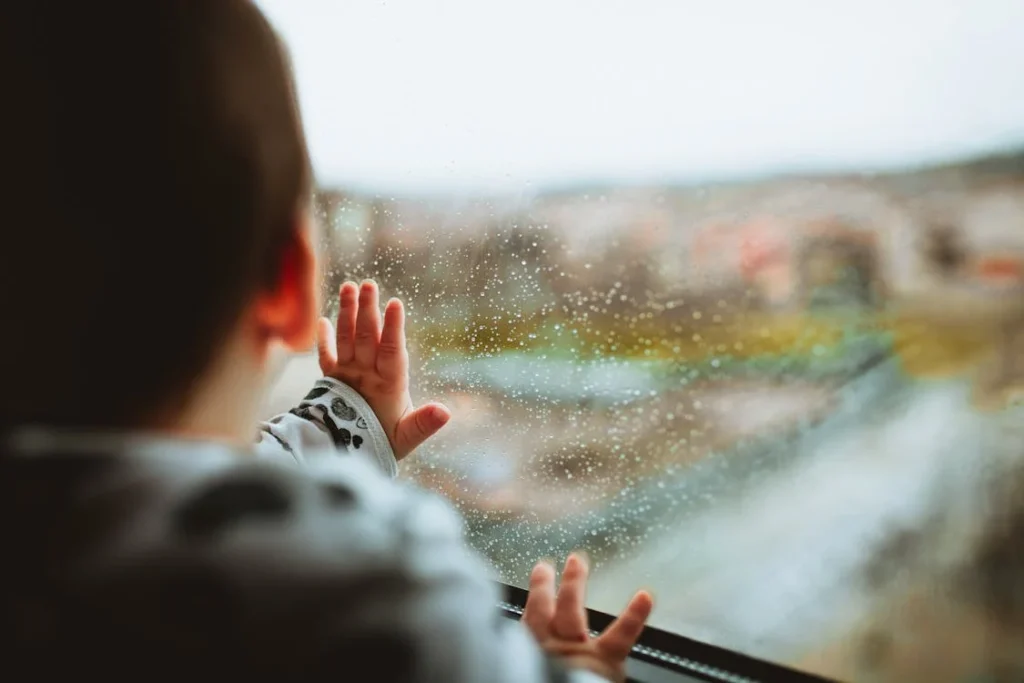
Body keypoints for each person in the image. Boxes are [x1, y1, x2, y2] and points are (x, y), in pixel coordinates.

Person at [0, 2, 652, 682]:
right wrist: (574, 670)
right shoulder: (355, 579)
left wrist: (349, 412)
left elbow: (230, 477)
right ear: (287, 288)